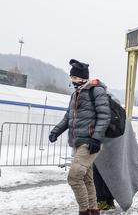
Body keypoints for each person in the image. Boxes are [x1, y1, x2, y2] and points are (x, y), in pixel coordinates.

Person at [49, 59, 111, 215]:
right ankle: (93, 211)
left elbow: (104, 116)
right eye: (71, 78)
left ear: (83, 77)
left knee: (74, 177)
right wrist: (56, 131)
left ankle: (83, 211)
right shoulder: (75, 94)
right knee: (86, 180)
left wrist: (96, 138)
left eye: (75, 78)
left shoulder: (96, 91)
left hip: (90, 142)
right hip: (77, 143)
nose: (72, 80)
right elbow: (68, 117)